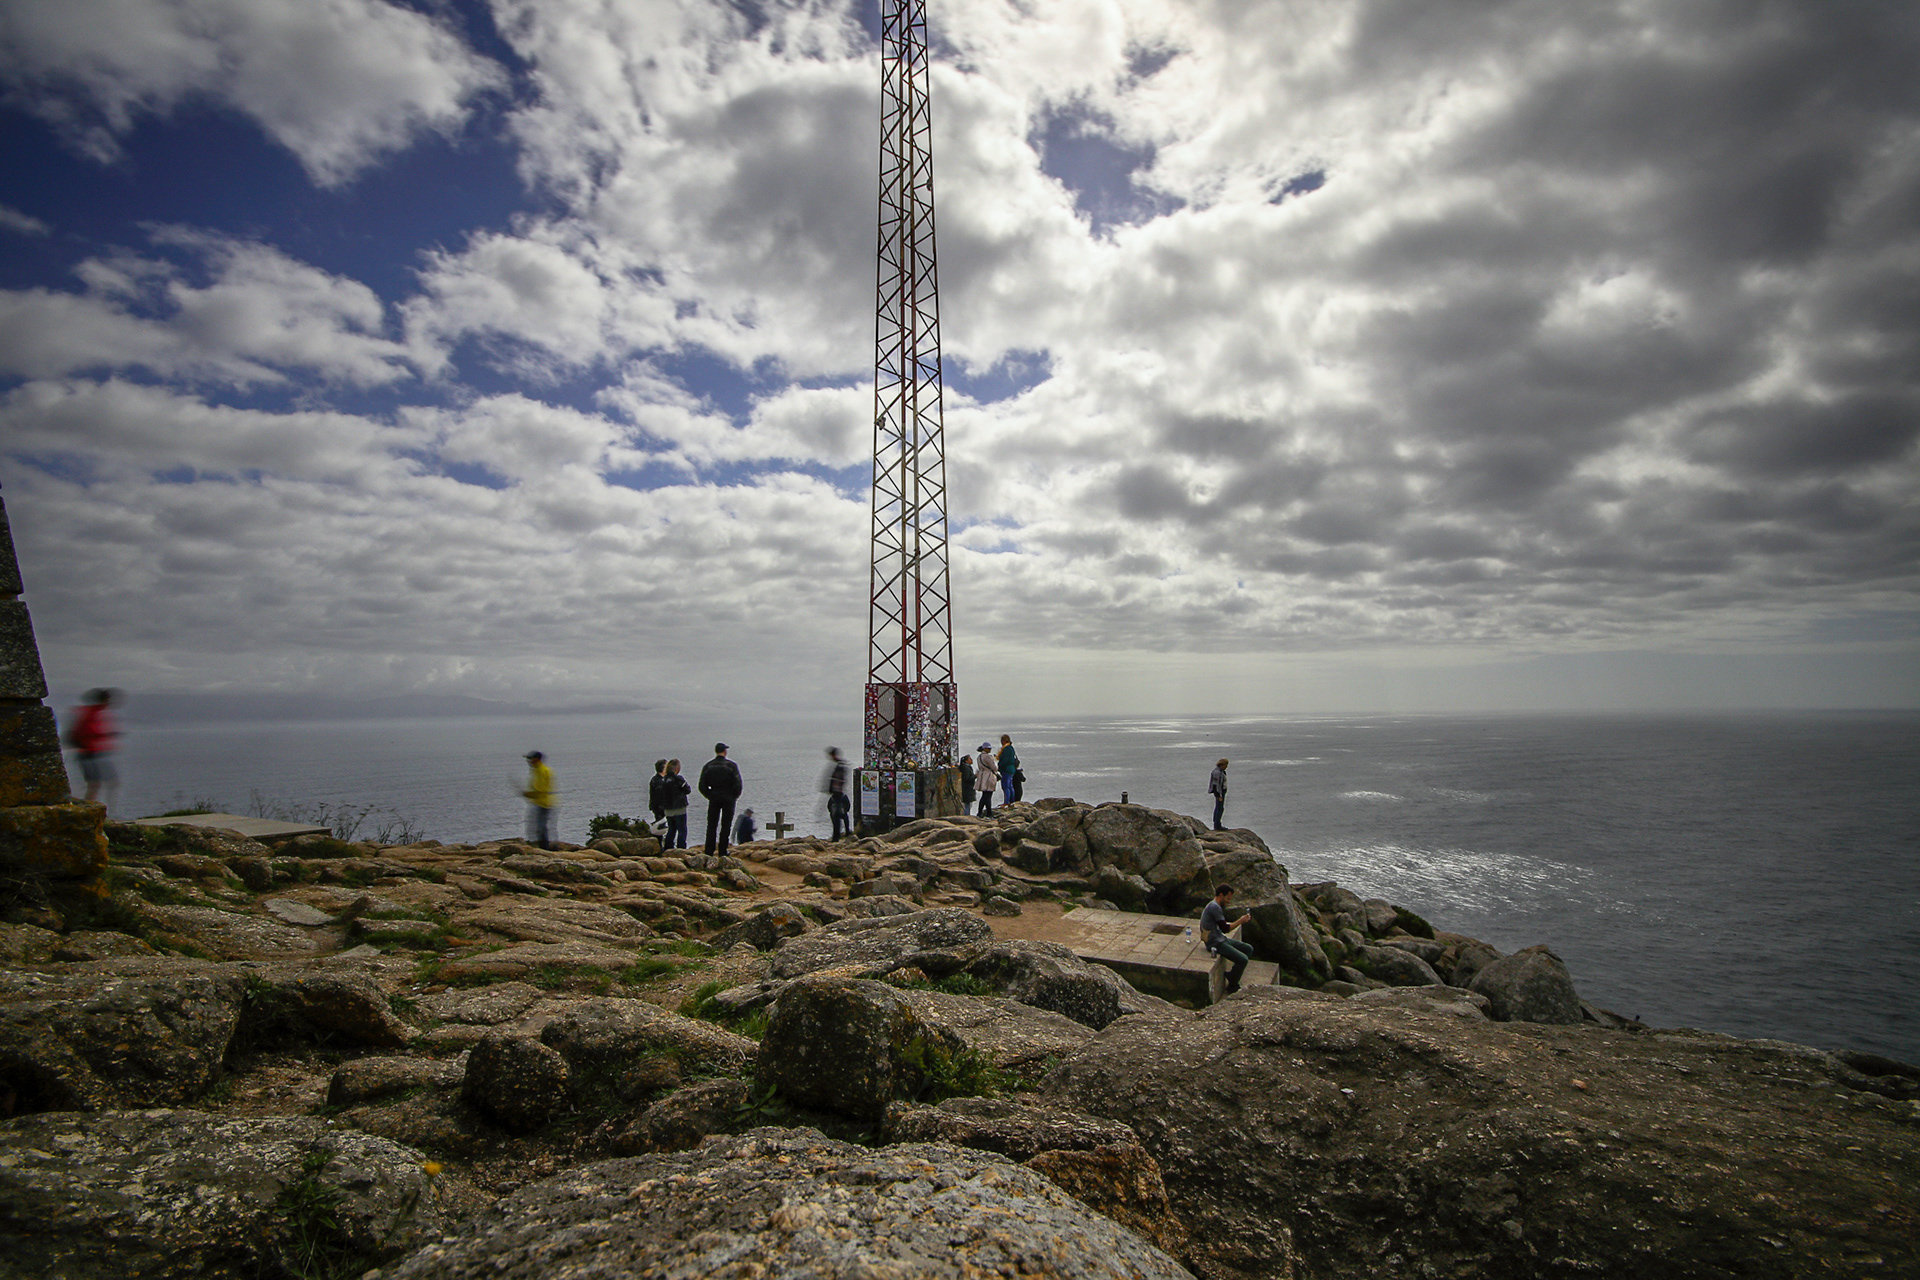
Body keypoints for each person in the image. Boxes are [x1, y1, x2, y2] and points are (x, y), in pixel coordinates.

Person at [65, 688, 120, 811]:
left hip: (92, 753)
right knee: (98, 784)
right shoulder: (92, 713)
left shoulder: (90, 712)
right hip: (89, 753)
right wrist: (107, 735)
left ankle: (92, 809)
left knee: (97, 784)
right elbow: (90, 732)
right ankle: (91, 810)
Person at [1201, 884, 1254, 995]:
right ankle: (1232, 985)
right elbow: (1225, 929)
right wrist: (1240, 921)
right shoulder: (1214, 907)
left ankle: (1232, 975)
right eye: (1228, 898)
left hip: (1220, 938)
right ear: (1221, 895)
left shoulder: (1215, 905)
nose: (1229, 901)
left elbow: (1222, 926)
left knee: (1248, 949)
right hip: (1214, 942)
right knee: (1243, 959)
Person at [699, 742, 743, 856]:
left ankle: (709, 850)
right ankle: (723, 850)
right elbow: (738, 784)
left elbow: (702, 786)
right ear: (725, 751)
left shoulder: (708, 766)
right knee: (726, 824)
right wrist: (734, 796)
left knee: (712, 824)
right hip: (728, 797)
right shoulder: (731, 766)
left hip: (714, 796)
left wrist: (709, 795)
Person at [522, 751, 556, 850]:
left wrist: (529, 794)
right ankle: (546, 846)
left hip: (544, 803)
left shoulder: (541, 771)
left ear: (536, 759)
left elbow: (541, 789)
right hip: (539, 802)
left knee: (541, 827)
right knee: (540, 826)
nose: (528, 761)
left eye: (530, 759)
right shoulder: (537, 770)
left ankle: (545, 848)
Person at [659, 758, 690, 849]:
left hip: (668, 808)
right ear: (676, 768)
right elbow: (687, 790)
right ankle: (681, 847)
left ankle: (668, 847)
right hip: (679, 807)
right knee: (682, 829)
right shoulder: (678, 779)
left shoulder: (664, 779)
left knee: (671, 829)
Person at [824, 747, 851, 840]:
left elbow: (838, 780)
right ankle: (844, 833)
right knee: (841, 815)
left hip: (837, 793)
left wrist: (832, 789)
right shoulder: (840, 765)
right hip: (838, 792)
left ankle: (837, 836)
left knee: (836, 815)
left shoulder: (839, 766)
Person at [974, 742, 998, 816]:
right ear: (985, 748)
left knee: (984, 796)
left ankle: (980, 812)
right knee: (988, 796)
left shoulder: (979, 757)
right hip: (988, 776)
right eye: (988, 748)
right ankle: (989, 813)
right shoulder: (987, 757)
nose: (990, 749)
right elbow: (994, 768)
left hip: (982, 776)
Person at [647, 759, 669, 833]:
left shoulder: (655, 779)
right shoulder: (658, 781)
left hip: (657, 806)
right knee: (660, 826)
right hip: (660, 807)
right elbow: (659, 796)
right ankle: (659, 841)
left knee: (661, 825)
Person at [997, 734, 1020, 806]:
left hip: (1006, 769)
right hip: (1011, 769)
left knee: (1006, 786)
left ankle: (1006, 802)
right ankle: (1012, 801)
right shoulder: (1011, 748)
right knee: (1010, 786)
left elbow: (1005, 760)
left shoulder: (1006, 749)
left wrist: (999, 765)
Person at [1209, 758, 1230, 831]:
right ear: (1222, 764)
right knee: (1219, 808)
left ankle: (1217, 824)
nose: (1226, 767)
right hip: (1219, 792)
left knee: (1219, 808)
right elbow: (1215, 785)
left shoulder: (1221, 771)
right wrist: (1219, 795)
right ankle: (1217, 825)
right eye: (1226, 765)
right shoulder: (1217, 773)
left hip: (1221, 791)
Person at [957, 749, 975, 816]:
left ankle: (967, 815)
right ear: (967, 761)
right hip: (967, 789)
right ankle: (967, 816)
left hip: (967, 789)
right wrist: (975, 776)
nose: (971, 760)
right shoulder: (966, 768)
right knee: (967, 805)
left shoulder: (966, 768)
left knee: (968, 805)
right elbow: (967, 778)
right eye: (970, 759)